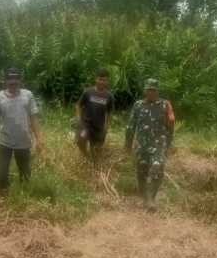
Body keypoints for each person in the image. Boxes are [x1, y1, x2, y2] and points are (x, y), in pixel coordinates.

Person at [0, 68, 43, 196]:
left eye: (15, 79)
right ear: (5, 81)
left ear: (20, 81)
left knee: (25, 176)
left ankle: (23, 199)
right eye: (10, 79)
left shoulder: (28, 95)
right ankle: (4, 198)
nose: (13, 82)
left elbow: (34, 119)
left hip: (24, 142)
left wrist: (39, 140)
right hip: (5, 142)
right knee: (1, 175)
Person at [125, 78, 175, 212]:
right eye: (148, 89)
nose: (151, 92)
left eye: (153, 90)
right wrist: (127, 145)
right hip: (142, 145)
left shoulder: (164, 105)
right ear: (144, 90)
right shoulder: (138, 105)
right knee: (141, 171)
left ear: (157, 91)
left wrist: (168, 145)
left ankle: (151, 199)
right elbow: (131, 126)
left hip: (159, 144)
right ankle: (145, 197)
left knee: (157, 167)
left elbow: (171, 126)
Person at [75, 67, 115, 161]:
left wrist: (107, 127)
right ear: (96, 79)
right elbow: (78, 105)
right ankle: (85, 155)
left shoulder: (109, 96)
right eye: (100, 79)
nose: (102, 82)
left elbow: (109, 113)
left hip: (99, 128)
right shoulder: (88, 92)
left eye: (104, 80)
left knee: (96, 154)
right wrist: (78, 118)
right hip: (86, 124)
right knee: (81, 139)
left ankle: (92, 160)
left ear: (107, 82)